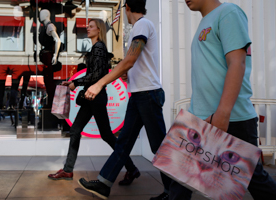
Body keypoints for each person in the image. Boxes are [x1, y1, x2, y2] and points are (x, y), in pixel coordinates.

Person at [165, 1, 276, 200]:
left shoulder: (228, 13)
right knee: (179, 182)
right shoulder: (206, 21)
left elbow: (237, 62)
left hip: (230, 119)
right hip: (200, 119)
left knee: (255, 181)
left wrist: (223, 114)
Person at [77, 1, 172, 199]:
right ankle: (104, 184)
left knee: (159, 146)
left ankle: (174, 193)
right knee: (124, 143)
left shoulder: (142, 25)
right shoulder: (141, 26)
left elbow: (130, 60)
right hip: (140, 95)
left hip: (148, 94)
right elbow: (135, 61)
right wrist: (131, 73)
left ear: (127, 7)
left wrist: (99, 84)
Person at [48, 19, 141, 186]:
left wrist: (75, 83)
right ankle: (68, 170)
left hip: (95, 98)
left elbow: (97, 75)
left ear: (99, 30)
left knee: (106, 135)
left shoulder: (98, 48)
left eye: (91, 26)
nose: (87, 28)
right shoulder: (96, 48)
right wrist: (72, 82)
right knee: (76, 131)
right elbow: (94, 74)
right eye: (88, 26)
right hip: (91, 97)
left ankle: (131, 167)